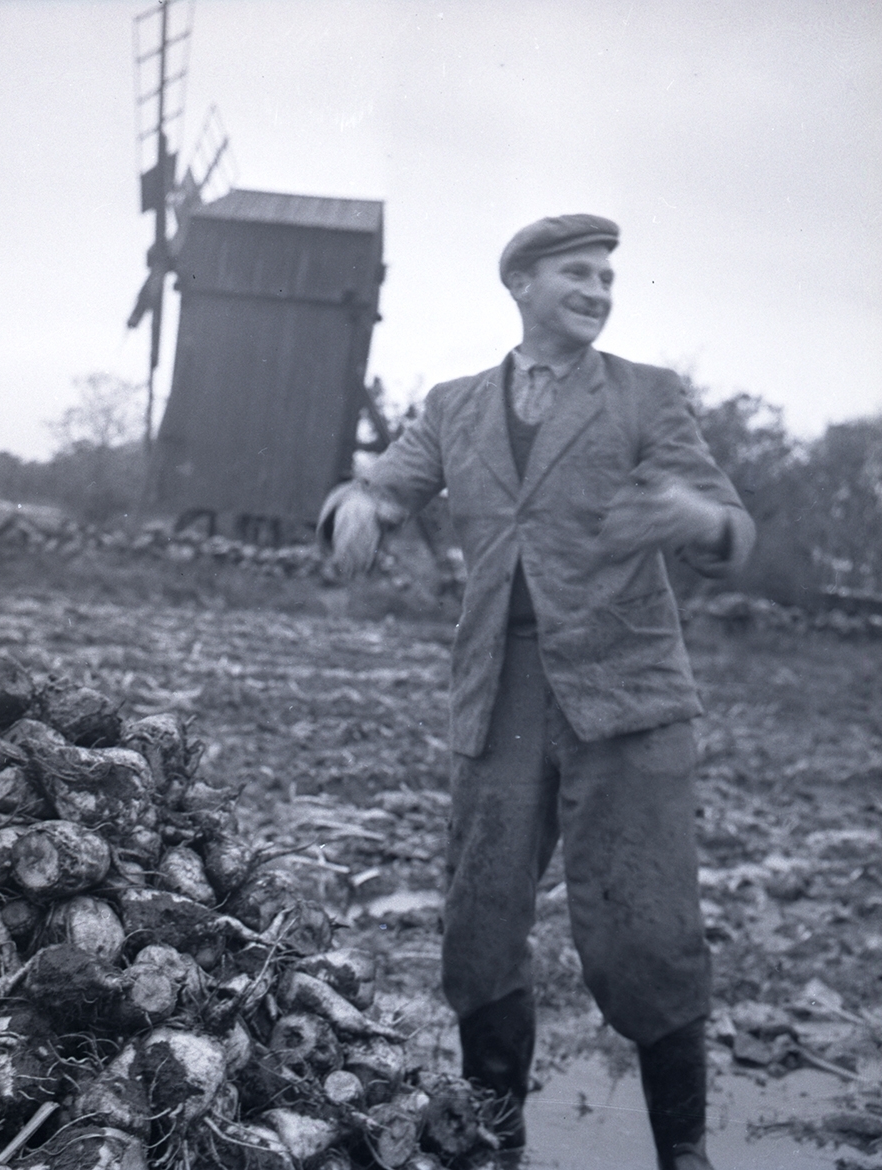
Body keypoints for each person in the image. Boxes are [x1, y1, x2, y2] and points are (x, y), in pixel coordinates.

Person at [317, 214, 755, 1170]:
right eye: (576, 274)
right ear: (520, 283)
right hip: (501, 694)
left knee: (645, 930)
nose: (596, 291)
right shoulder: (455, 405)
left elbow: (729, 527)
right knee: (477, 925)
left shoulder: (645, 395)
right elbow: (385, 488)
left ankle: (682, 1152)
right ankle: (495, 1139)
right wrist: (356, 509)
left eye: (606, 278)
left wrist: (694, 517)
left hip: (625, 694)